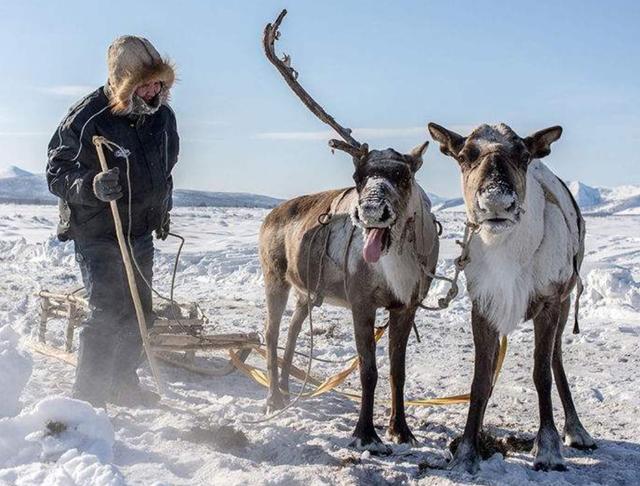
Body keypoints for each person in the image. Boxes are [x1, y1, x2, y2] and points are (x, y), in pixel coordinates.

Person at [46, 36, 179, 407]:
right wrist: (90, 185)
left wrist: (161, 208)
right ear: (124, 80)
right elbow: (56, 172)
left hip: (139, 230)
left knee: (140, 312)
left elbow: (165, 169)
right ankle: (87, 399)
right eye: (145, 83)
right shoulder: (88, 118)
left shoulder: (163, 118)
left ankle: (122, 384)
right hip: (97, 230)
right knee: (108, 311)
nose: (154, 91)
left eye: (159, 83)